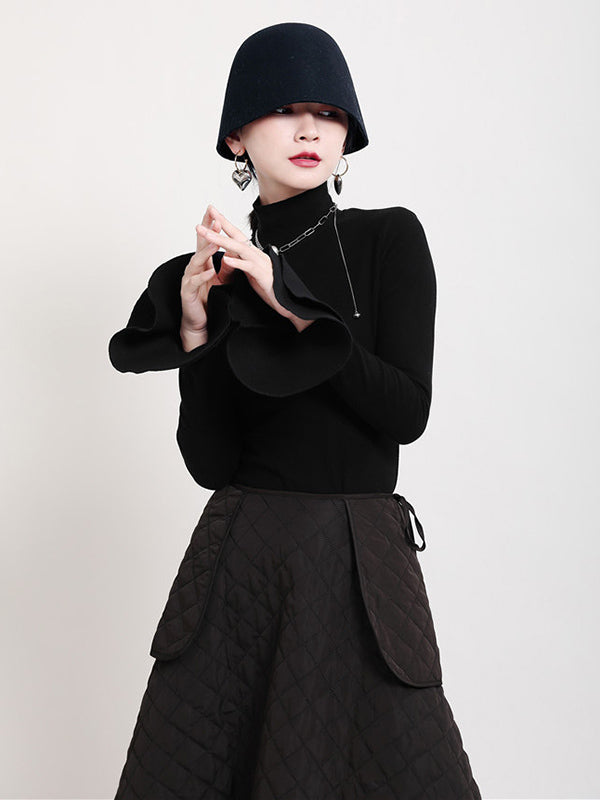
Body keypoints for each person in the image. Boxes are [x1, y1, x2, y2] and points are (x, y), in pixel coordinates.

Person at [108, 21, 482, 800]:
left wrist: (297, 311)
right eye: (284, 109)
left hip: (359, 566)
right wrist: (195, 328)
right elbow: (212, 463)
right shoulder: (219, 273)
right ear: (237, 137)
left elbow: (406, 411)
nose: (310, 129)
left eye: (329, 113)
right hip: (246, 568)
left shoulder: (387, 238)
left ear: (347, 136)